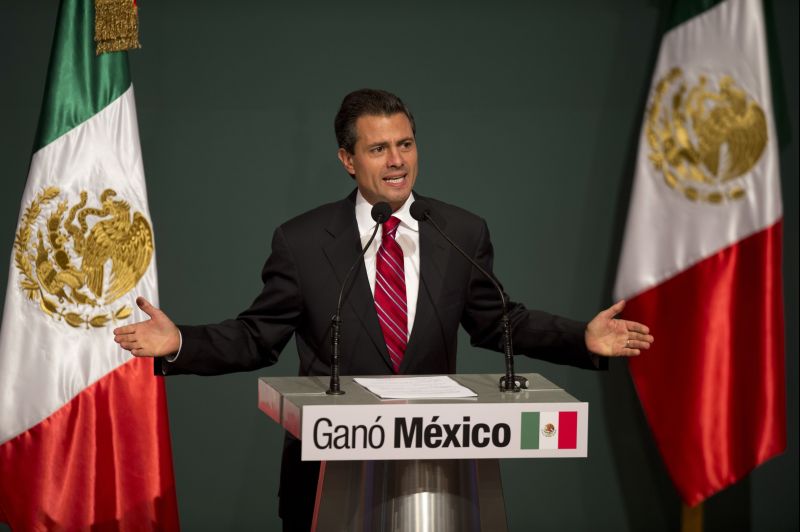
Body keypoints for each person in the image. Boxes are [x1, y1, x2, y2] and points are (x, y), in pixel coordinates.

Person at [114, 88, 653, 530]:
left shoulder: (460, 231)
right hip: (331, 480)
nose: (397, 160)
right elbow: (257, 337)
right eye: (378, 149)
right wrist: (178, 342)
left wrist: (582, 337)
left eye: (406, 144)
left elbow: (499, 323)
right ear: (348, 160)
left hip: (437, 477)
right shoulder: (303, 242)